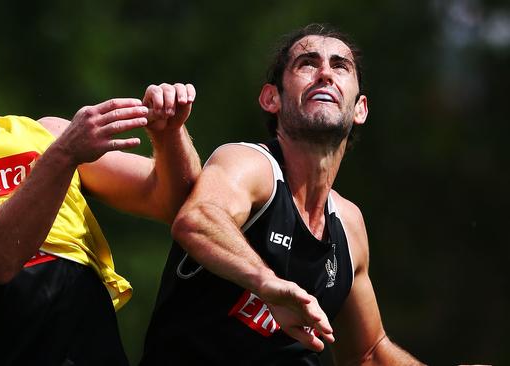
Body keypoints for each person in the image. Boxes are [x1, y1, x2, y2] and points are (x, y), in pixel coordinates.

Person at [0, 7, 200, 366]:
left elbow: (173, 202)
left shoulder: (48, 133)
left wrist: (169, 135)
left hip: (89, 339)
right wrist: (63, 157)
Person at [141, 24, 423, 365]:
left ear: (360, 108)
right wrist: (268, 284)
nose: (324, 74)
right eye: (307, 63)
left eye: (340, 66)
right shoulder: (252, 165)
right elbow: (198, 219)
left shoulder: (349, 225)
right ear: (271, 98)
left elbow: (369, 353)